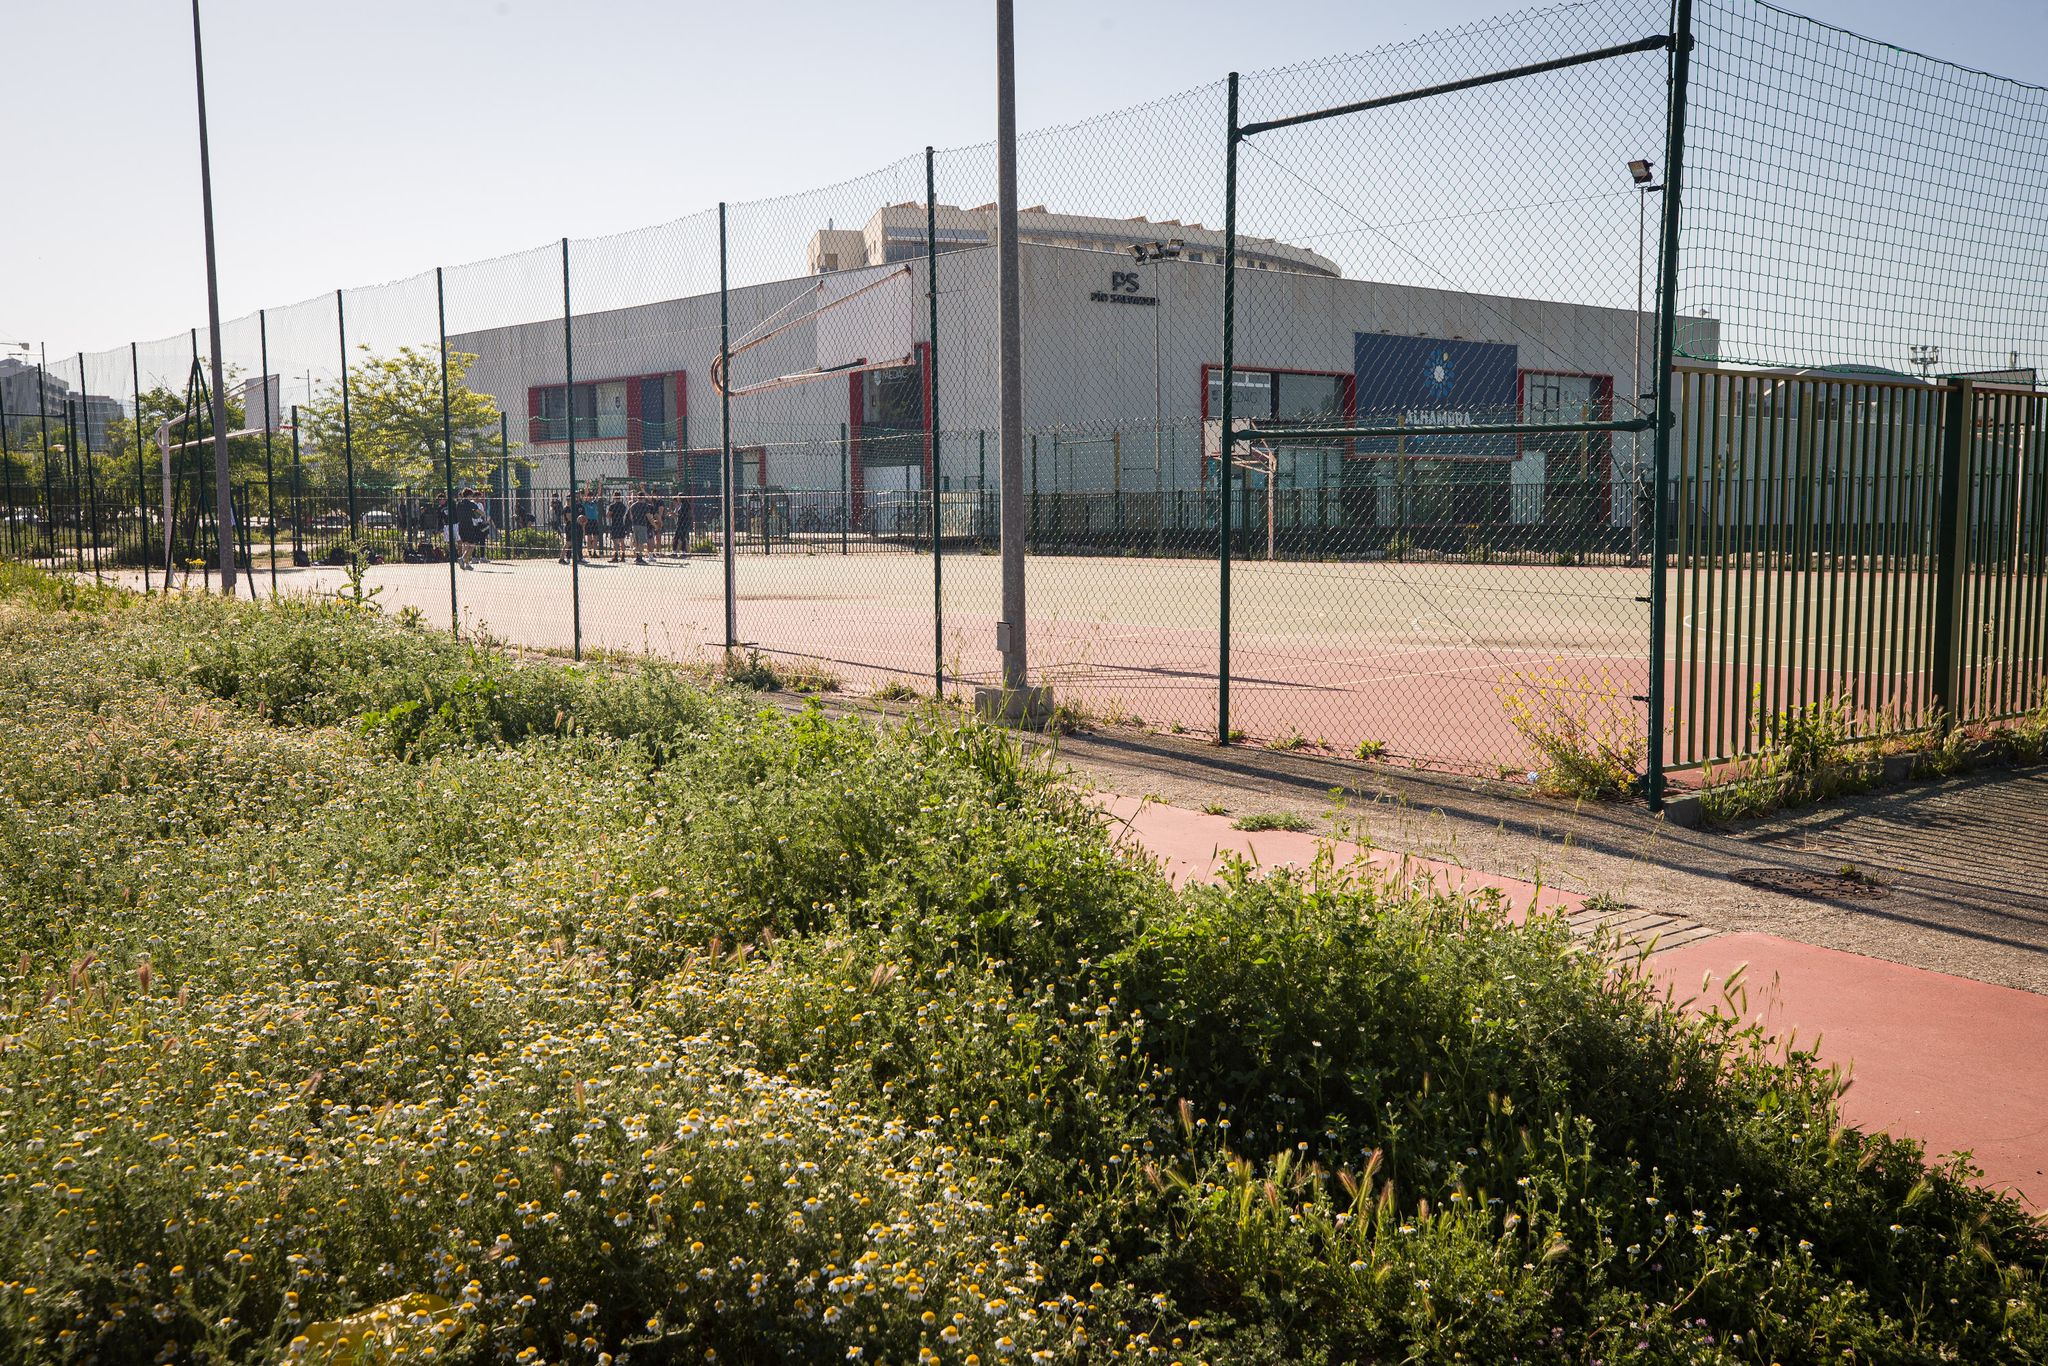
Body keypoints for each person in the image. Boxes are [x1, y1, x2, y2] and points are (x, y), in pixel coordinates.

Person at [629, 491, 656, 565]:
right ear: (643, 497)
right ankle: (640, 558)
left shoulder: (633, 506)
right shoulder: (645, 506)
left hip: (634, 525)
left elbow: (631, 517)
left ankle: (637, 557)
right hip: (642, 525)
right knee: (641, 542)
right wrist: (654, 524)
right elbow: (649, 517)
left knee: (636, 542)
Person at [608, 491, 629, 564]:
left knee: (615, 541)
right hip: (621, 523)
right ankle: (623, 555)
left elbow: (608, 515)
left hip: (615, 523)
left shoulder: (612, 506)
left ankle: (616, 556)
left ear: (614, 497)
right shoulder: (623, 506)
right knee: (622, 540)